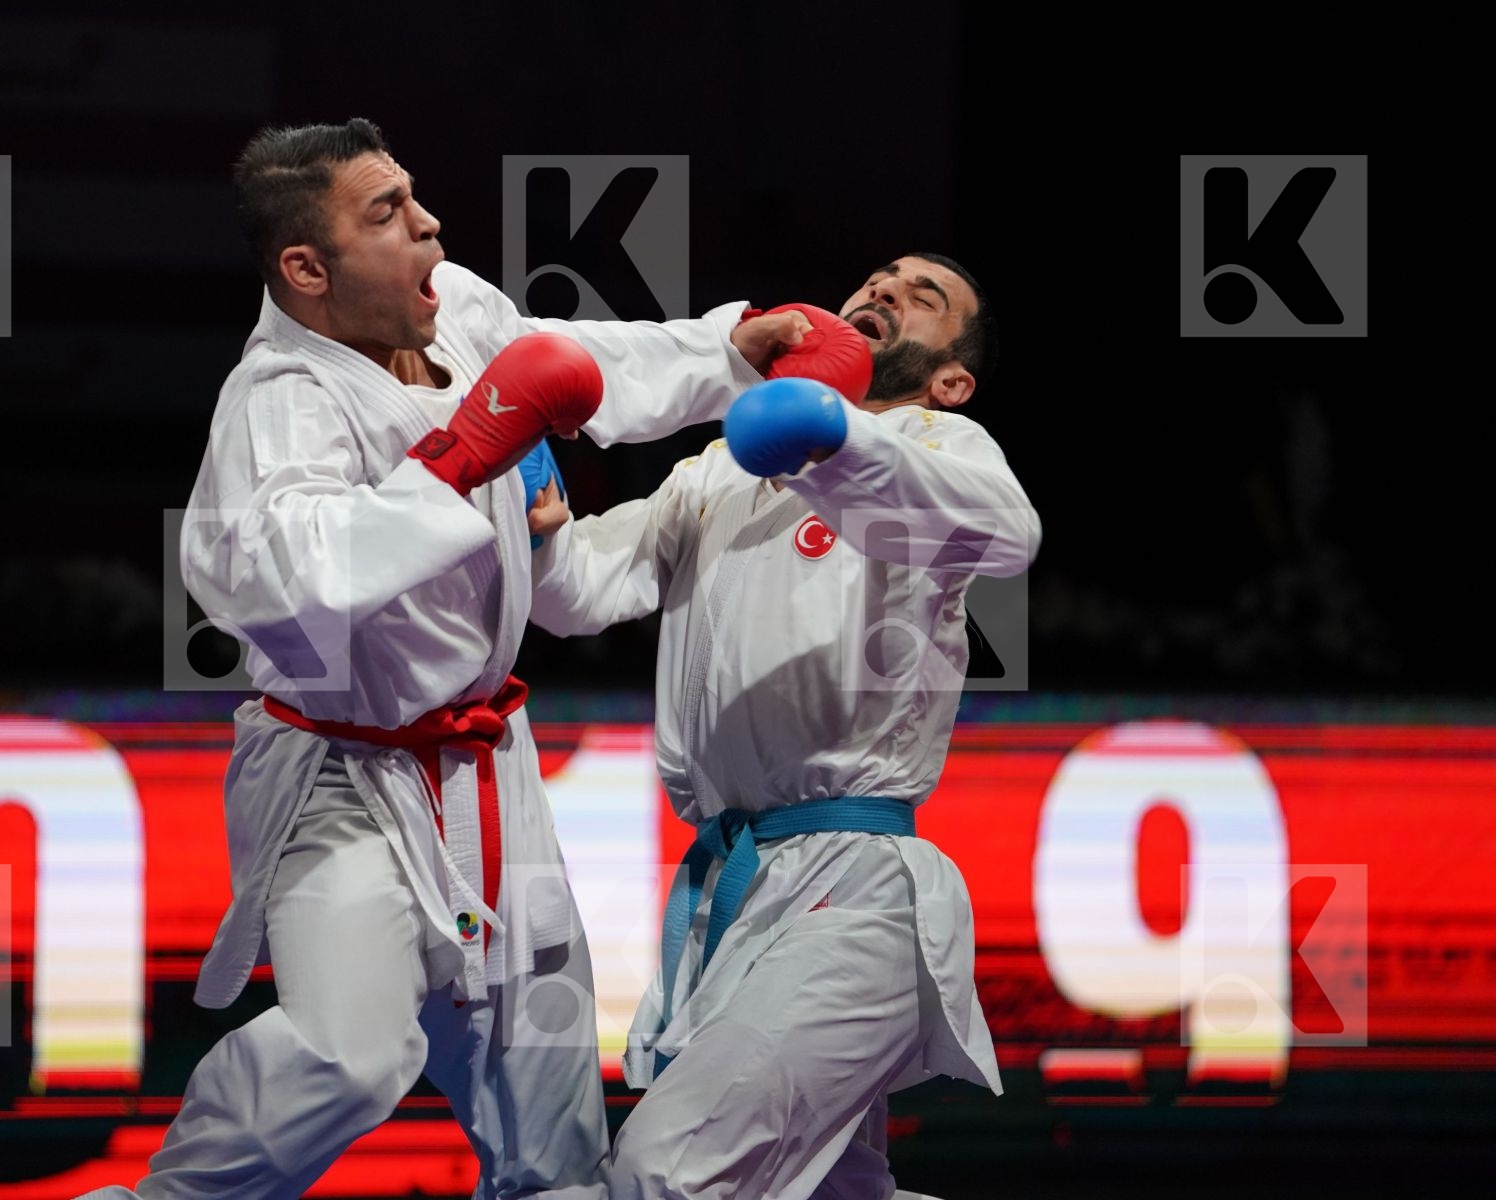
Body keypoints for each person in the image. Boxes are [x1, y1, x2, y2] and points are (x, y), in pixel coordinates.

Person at [79, 118, 811, 1200]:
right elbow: (280, 586)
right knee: (352, 1052)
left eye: (414, 197)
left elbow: (573, 361)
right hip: (343, 773)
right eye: (387, 213)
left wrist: (725, 357)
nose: (428, 222)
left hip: (487, 765)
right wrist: (464, 456)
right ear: (306, 268)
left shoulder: (452, 303)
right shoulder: (282, 401)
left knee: (548, 1090)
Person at [527, 255, 1040, 1199]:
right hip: (735, 884)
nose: (883, 292)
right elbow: (583, 592)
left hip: (856, 897)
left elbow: (1009, 533)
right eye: (878, 280)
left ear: (951, 378)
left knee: (665, 1175)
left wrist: (831, 441)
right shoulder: (719, 466)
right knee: (833, 1187)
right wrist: (537, 515)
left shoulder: (940, 445)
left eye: (921, 298)